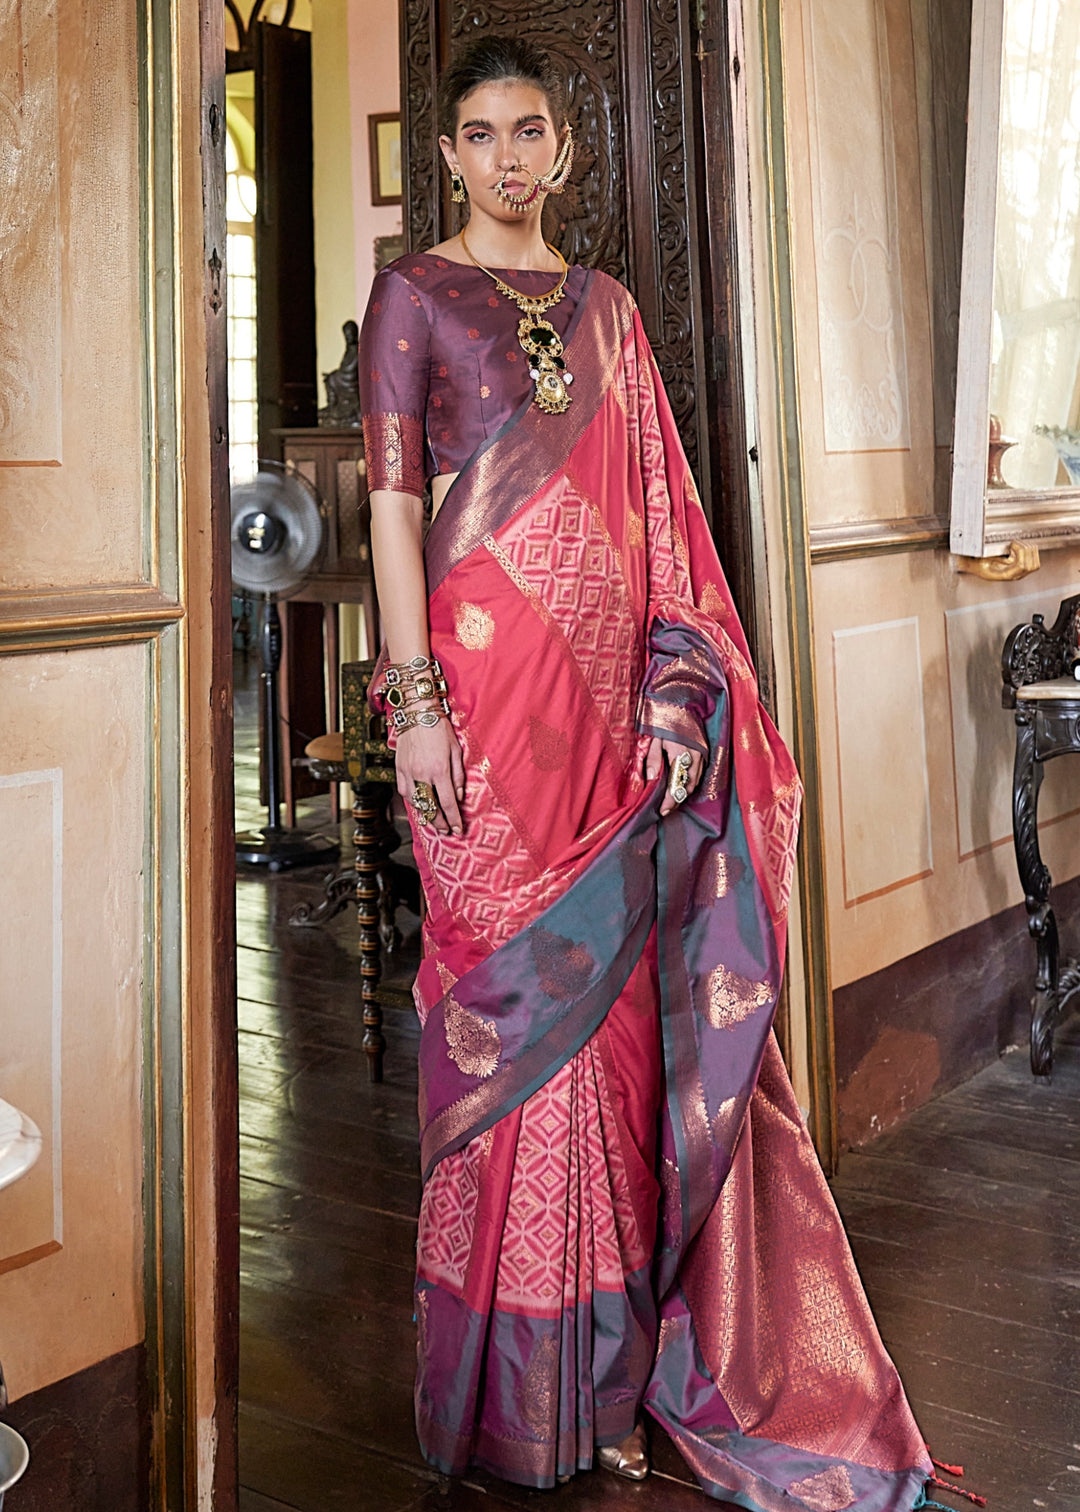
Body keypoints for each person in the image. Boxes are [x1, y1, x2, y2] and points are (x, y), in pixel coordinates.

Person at [359, 35, 933, 1512]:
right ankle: (505, 1396)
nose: (505, 157)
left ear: (562, 148)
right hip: (477, 707)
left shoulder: (607, 310)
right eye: (480, 134)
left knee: (611, 1034)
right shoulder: (413, 299)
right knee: (499, 1017)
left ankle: (605, 1382)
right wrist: (413, 703)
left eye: (528, 131)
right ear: (451, 154)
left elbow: (662, 527)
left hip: (607, 724)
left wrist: (678, 697)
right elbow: (394, 512)